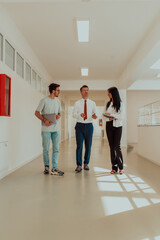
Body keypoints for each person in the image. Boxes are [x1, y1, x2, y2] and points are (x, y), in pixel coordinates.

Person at [35, 83, 64, 176]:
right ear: (53, 91)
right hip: (46, 129)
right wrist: (44, 120)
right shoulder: (44, 100)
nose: (59, 92)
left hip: (56, 129)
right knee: (46, 149)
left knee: (56, 149)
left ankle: (54, 168)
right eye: (58, 90)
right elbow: (36, 112)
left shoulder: (58, 101)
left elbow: (59, 113)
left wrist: (58, 116)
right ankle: (46, 167)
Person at [73, 85, 98, 173]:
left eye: (87, 90)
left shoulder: (92, 103)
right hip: (79, 126)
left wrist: (94, 116)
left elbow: (95, 114)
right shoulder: (77, 103)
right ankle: (79, 165)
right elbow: (74, 115)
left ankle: (86, 163)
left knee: (88, 146)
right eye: (84, 90)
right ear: (81, 92)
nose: (86, 92)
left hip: (89, 126)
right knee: (79, 146)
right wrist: (80, 115)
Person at [103, 87, 125, 175]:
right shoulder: (108, 104)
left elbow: (121, 116)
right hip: (109, 125)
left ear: (113, 93)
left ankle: (121, 167)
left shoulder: (120, 104)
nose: (108, 95)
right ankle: (114, 167)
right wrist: (110, 116)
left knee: (117, 146)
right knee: (112, 147)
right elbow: (104, 115)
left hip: (118, 126)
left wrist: (113, 115)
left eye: (109, 93)